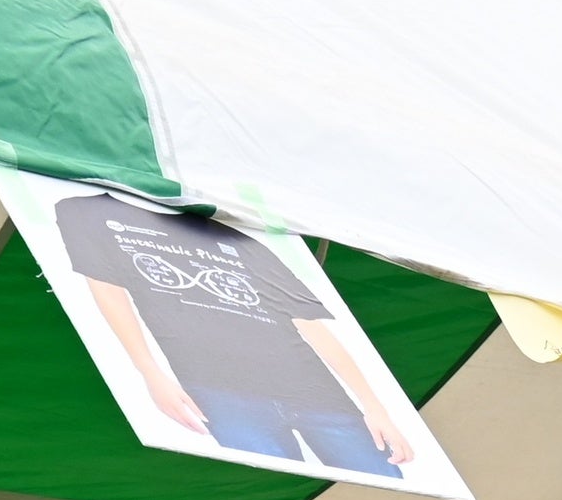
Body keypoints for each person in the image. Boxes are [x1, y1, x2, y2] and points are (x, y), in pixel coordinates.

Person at [55, 189, 417, 479]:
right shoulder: (86, 213)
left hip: (318, 393)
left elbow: (309, 324)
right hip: (223, 394)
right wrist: (151, 373)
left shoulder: (239, 239)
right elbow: (108, 292)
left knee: (380, 484)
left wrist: (375, 407)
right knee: (270, 486)